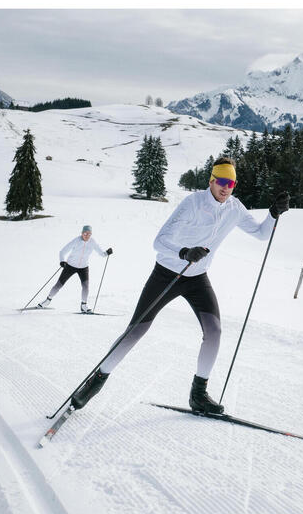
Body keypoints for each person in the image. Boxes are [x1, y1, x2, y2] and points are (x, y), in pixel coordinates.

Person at [70, 157, 289, 413]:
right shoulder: (193, 203)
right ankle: (95, 382)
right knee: (136, 331)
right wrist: (184, 252)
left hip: (198, 279)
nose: (225, 187)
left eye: (231, 183)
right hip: (167, 274)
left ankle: (199, 395)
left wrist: (273, 214)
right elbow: (159, 241)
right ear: (211, 180)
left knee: (215, 332)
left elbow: (262, 234)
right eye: (221, 181)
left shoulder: (235, 208)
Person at [38, 225, 113, 313]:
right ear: (82, 233)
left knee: (86, 287)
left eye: (89, 234)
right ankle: (47, 300)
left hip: (83, 268)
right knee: (59, 284)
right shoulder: (76, 241)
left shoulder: (93, 242)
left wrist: (107, 253)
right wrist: (62, 261)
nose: (87, 235)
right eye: (85, 233)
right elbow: (62, 251)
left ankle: (84, 305)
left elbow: (102, 254)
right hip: (70, 266)